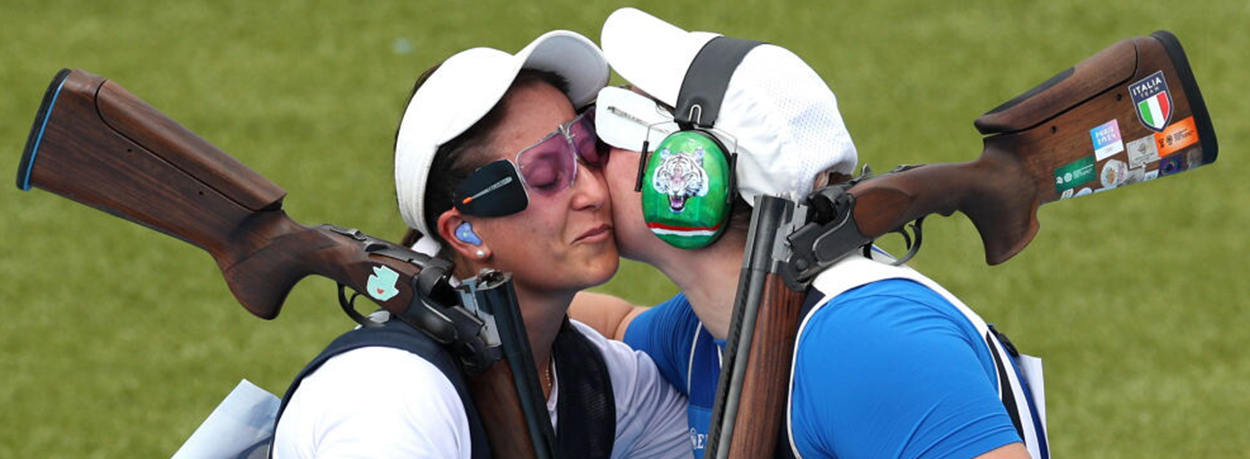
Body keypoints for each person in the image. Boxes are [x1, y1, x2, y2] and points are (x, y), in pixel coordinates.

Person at [572, 8, 1049, 459]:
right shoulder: (709, 327)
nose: (586, 154)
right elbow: (613, 328)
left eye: (608, 123)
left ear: (692, 171)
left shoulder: (862, 340)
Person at [271, 30, 688, 459]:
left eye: (587, 148)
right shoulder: (389, 395)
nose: (594, 193)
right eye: (546, 174)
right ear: (465, 233)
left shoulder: (601, 379)